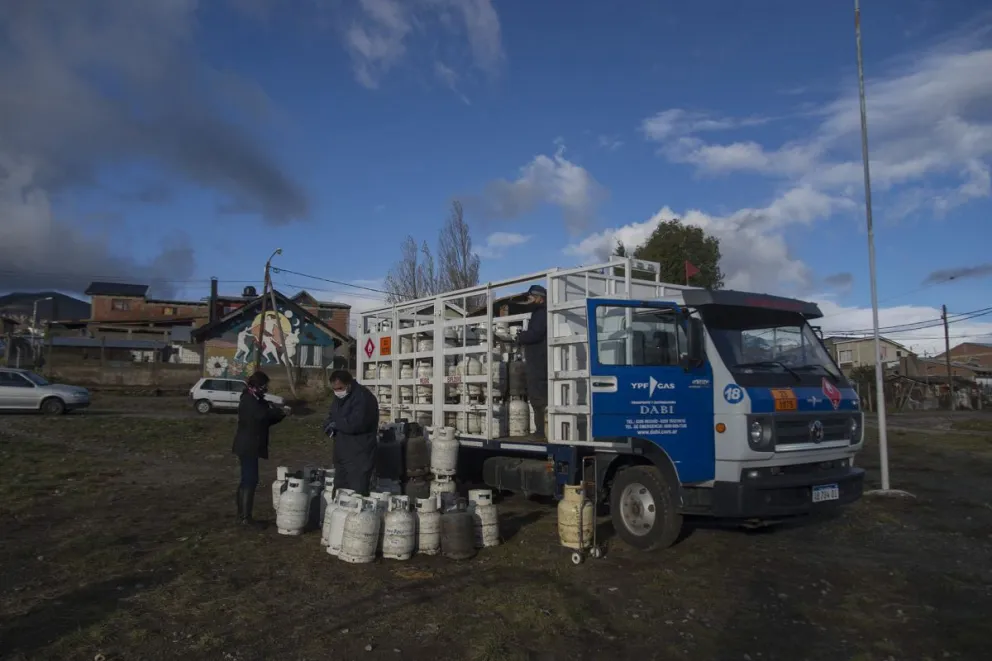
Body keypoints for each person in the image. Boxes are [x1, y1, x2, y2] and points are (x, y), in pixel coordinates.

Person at [231, 370, 287, 527]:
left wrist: (280, 414)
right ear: (257, 386)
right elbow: (262, 416)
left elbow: (265, 419)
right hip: (248, 445)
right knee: (249, 480)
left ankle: (242, 515)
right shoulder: (249, 401)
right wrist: (277, 411)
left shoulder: (254, 399)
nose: (266, 389)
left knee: (247, 480)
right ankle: (245, 518)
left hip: (249, 445)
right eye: (264, 386)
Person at [322, 369, 380, 496]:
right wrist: (328, 425)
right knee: (340, 492)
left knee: (356, 493)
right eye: (334, 389)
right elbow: (332, 415)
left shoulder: (364, 398)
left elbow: (357, 423)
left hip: (359, 454)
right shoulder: (340, 398)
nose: (337, 392)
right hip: (342, 453)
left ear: (348, 384)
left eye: (340, 388)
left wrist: (337, 424)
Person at [516, 284, 548, 440]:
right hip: (538, 360)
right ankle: (542, 430)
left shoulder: (541, 313)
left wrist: (521, 336)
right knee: (538, 396)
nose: (528, 300)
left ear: (539, 298)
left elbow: (535, 334)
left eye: (530, 297)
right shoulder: (539, 313)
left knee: (538, 397)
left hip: (538, 361)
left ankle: (541, 432)